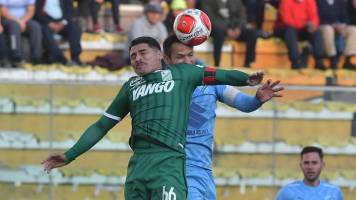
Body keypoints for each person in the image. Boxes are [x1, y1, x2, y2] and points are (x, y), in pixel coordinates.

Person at [41, 36, 264, 200]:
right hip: (138, 164)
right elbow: (102, 126)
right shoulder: (130, 86)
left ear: (160, 55)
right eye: (133, 56)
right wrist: (70, 155)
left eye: (143, 53)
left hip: (170, 163)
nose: (137, 59)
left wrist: (248, 79)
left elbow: (222, 75)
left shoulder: (184, 73)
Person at [163, 34, 284, 200]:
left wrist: (257, 100)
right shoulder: (161, 87)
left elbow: (243, 103)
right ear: (167, 59)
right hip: (179, 170)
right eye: (180, 57)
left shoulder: (210, 80)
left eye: (190, 55)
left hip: (205, 171)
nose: (186, 62)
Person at [202, 0, 259, 68]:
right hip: (217, 28)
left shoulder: (236, 1)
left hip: (234, 28)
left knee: (252, 33)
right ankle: (217, 63)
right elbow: (210, 18)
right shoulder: (208, 1)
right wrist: (226, 29)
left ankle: (248, 63)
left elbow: (242, 15)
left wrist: (238, 28)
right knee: (218, 32)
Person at [276, 146, 343, 200]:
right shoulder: (287, 192)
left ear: (322, 165)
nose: (310, 167)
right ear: (301, 166)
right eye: (306, 163)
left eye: (314, 163)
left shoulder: (334, 192)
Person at [274, 0, 325, 70]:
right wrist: (304, 24)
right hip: (284, 28)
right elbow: (287, 20)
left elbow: (314, 17)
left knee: (316, 31)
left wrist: (312, 24)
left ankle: (319, 61)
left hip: (301, 28)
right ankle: (295, 61)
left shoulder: (310, 1)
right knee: (290, 31)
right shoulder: (285, 1)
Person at [35, 0, 82, 65]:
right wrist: (49, 23)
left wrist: (63, 22)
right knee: (44, 30)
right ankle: (60, 58)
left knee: (75, 28)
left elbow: (70, 10)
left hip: (62, 22)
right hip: (47, 23)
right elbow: (37, 12)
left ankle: (75, 58)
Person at [0, 0, 42, 66]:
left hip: (24, 20)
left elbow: (31, 11)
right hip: (8, 20)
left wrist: (23, 21)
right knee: (14, 25)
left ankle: (36, 57)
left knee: (35, 26)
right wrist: (18, 21)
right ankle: (16, 56)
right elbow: (3, 11)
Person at [317, 0, 356, 69]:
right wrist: (333, 25)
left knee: (353, 29)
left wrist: (342, 25)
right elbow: (318, 17)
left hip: (338, 26)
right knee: (328, 29)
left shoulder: (339, 2)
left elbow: (345, 17)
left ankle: (348, 59)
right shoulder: (319, 1)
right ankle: (332, 59)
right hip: (324, 26)